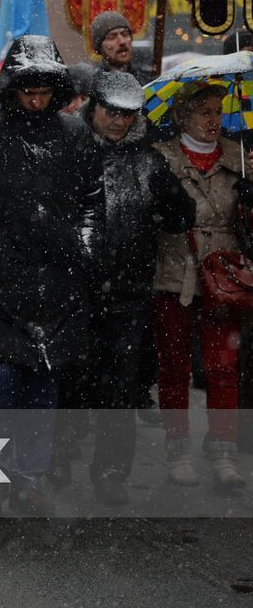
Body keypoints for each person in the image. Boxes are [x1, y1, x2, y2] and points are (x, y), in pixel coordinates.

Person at [0, 36, 102, 517]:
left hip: (58, 282)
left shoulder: (76, 136)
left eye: (43, 92)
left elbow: (93, 204)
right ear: (12, 89)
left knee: (44, 388)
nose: (34, 101)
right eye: (26, 91)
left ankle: (30, 479)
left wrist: (81, 249)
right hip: (0, 283)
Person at [83, 71, 194, 504]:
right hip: (76, 290)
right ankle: (52, 460)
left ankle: (111, 471)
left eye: (127, 115)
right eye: (111, 112)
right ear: (94, 108)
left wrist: (168, 200)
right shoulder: (74, 153)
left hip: (128, 292)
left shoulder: (148, 161)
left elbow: (180, 215)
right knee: (72, 380)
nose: (118, 122)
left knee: (119, 386)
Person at [151, 83, 248, 491]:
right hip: (175, 274)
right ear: (183, 116)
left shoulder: (239, 159)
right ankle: (179, 449)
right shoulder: (161, 159)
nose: (214, 120)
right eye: (204, 112)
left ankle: (224, 453)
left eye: (217, 111)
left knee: (223, 367)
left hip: (225, 279)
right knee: (175, 366)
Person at [90, 10, 146, 78]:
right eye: (112, 37)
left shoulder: (146, 83)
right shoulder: (92, 86)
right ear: (99, 46)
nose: (122, 41)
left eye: (125, 34)